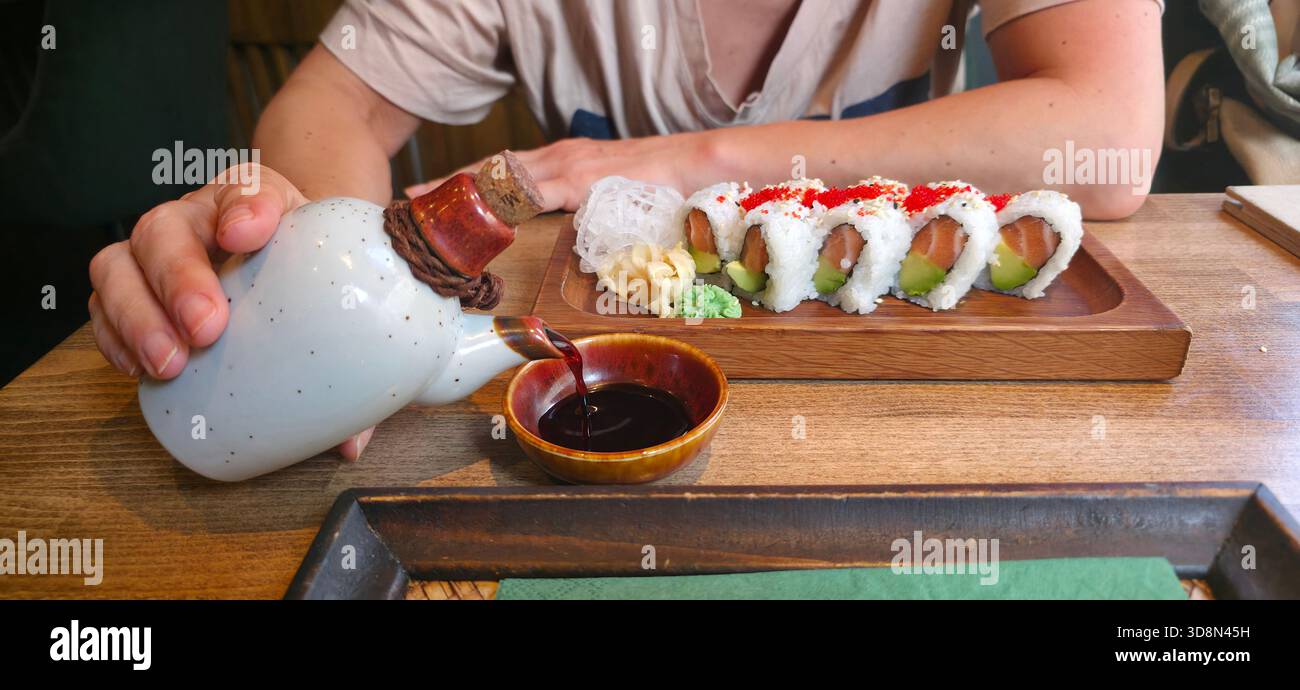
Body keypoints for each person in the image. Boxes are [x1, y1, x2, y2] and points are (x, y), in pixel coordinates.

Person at [88, 0, 1165, 459]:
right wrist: (336, 294)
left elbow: (1109, 131)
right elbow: (323, 109)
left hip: (914, 408)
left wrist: (694, 156)